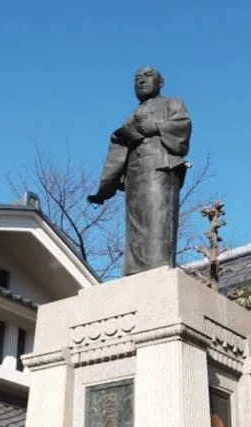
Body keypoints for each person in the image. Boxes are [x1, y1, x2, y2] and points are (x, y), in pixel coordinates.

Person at [87, 67, 192, 276]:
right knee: (136, 225)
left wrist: (157, 127)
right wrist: (105, 189)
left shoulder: (172, 102)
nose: (141, 81)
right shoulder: (131, 116)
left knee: (157, 218)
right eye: (137, 78)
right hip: (134, 176)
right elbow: (117, 153)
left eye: (147, 76)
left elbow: (183, 125)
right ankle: (135, 271)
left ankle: (158, 268)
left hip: (159, 167)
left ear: (161, 82)